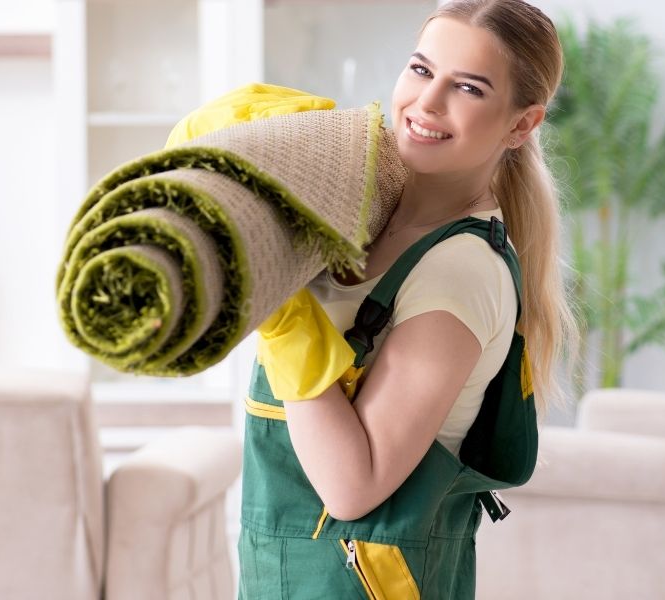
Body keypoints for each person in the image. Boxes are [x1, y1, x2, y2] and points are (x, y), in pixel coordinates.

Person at [239, 0, 577, 598]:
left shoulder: (461, 271)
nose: (426, 103)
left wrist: (281, 307)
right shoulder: (364, 217)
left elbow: (352, 486)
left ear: (521, 125)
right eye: (421, 70)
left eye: (467, 88)